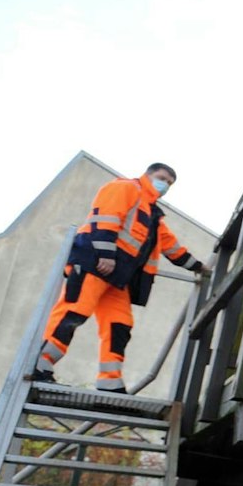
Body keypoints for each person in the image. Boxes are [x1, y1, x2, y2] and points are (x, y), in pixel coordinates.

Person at [34, 162, 208, 392]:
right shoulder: (126, 188)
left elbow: (171, 247)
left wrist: (200, 268)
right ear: (148, 174)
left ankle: (110, 382)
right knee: (75, 311)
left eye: (169, 183)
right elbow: (105, 218)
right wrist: (106, 254)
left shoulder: (153, 215)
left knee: (120, 325)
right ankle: (39, 364)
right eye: (162, 178)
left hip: (118, 278)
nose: (164, 185)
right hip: (94, 263)